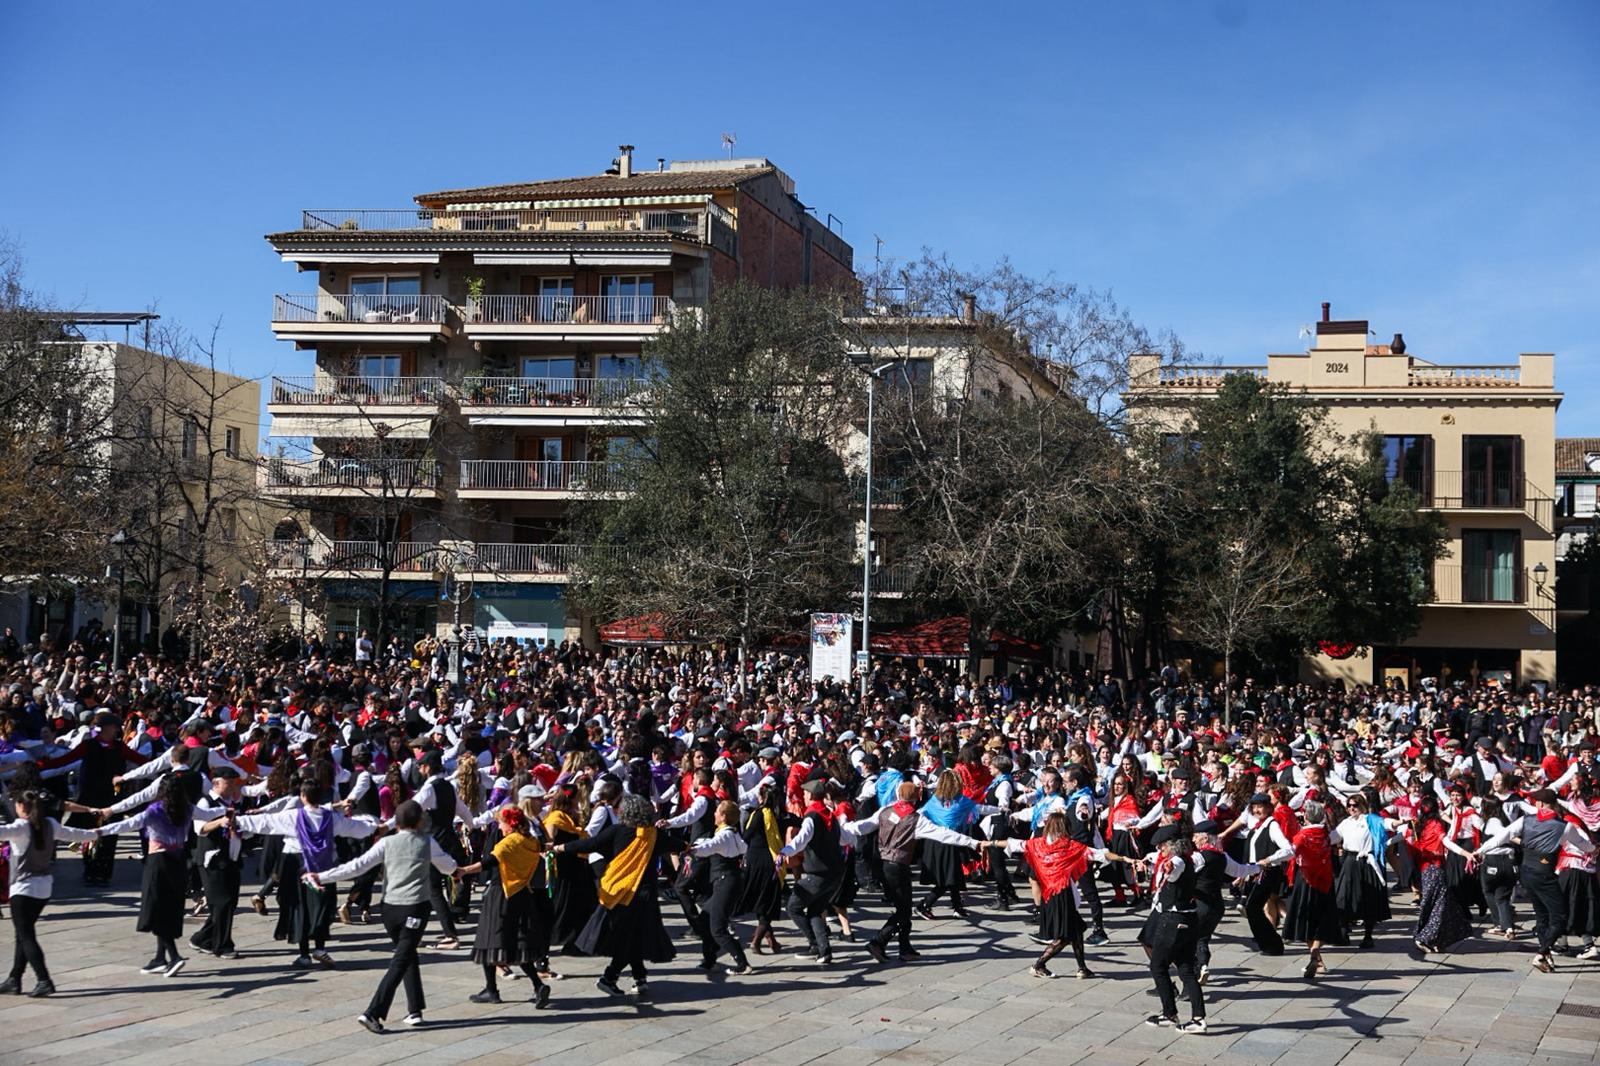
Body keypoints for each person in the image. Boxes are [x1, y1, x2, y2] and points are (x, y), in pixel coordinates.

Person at [307, 799, 460, 1032]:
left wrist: (322, 876)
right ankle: (373, 1012)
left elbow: (357, 866)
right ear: (419, 821)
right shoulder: (427, 842)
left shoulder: (386, 843)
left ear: (397, 822)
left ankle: (415, 1010)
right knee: (401, 959)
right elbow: (448, 867)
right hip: (414, 908)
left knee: (406, 954)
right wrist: (457, 870)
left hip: (389, 910)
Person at [224, 780, 378, 967]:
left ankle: (304, 954)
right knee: (321, 906)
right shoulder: (332, 818)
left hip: (295, 865)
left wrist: (237, 820)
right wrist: (374, 826)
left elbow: (265, 822)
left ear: (303, 797)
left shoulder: (292, 816)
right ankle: (320, 948)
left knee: (299, 908)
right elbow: (356, 828)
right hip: (322, 867)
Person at [554, 793, 677, 998]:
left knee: (631, 935)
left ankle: (635, 977)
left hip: (620, 892)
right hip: (643, 894)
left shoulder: (618, 831)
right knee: (631, 935)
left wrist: (561, 847)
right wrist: (690, 847)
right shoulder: (654, 835)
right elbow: (677, 845)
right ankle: (612, 977)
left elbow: (590, 844)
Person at [1473, 788, 1597, 972]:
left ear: (1539, 804)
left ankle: (1545, 956)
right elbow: (1584, 845)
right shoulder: (1565, 826)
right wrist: (1594, 849)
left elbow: (1501, 837)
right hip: (1545, 873)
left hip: (1526, 872)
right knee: (1560, 918)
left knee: (1542, 916)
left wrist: (1479, 851)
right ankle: (1541, 953)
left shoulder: (1525, 820)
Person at [96, 773, 197, 976]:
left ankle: (174, 956)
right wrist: (229, 812)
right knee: (168, 908)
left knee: (156, 909)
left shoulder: (155, 811)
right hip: (178, 862)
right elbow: (209, 812)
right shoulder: (187, 809)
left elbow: (127, 824)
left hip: (158, 863)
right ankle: (160, 957)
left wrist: (98, 832)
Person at [457, 797, 555, 1007]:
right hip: (522, 894)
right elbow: (544, 845)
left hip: (502, 893)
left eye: (500, 823)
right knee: (519, 943)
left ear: (509, 823)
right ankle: (537, 985)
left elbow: (489, 862)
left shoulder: (509, 843)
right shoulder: (529, 841)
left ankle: (491, 989)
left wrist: (463, 871)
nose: (499, 827)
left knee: (489, 939)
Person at [0, 788, 98, 995]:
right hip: (43, 888)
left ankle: (44, 980)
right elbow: (75, 834)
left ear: (21, 807)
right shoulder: (50, 825)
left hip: (23, 889)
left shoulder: (20, 827)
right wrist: (96, 833)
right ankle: (14, 979)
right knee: (22, 934)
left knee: (26, 936)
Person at [1140, 824, 1207, 1034]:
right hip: (1188, 920)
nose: (1161, 850)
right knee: (1186, 970)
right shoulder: (1190, 858)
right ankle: (1198, 1018)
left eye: (1163, 846)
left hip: (1174, 921)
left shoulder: (1177, 861)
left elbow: (1174, 867)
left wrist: (1168, 868)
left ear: (1172, 845)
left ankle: (1170, 1013)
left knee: (1157, 966)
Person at [685, 798, 753, 974]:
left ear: (723, 816)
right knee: (704, 919)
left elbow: (710, 846)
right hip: (727, 881)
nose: (714, 814)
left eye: (717, 812)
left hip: (726, 883)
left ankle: (742, 963)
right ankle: (710, 960)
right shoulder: (731, 832)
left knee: (718, 928)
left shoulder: (725, 835)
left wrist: (691, 850)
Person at [1281, 800, 1345, 979]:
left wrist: (1268, 860)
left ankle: (1315, 956)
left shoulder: (1302, 836)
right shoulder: (1326, 834)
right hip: (1325, 882)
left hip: (1306, 881)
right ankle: (1317, 958)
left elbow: (1289, 852)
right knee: (1323, 918)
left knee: (1308, 919)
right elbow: (1338, 836)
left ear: (1307, 817)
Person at [189, 767, 247, 958]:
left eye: (234, 783)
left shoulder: (232, 802)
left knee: (229, 902)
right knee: (221, 902)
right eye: (228, 783)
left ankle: (201, 938)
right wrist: (220, 822)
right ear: (216, 783)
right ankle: (222, 945)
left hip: (231, 858)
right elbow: (201, 828)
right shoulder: (205, 802)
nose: (232, 787)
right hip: (212, 859)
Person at [1408, 794, 1473, 955]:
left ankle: (1435, 939)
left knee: (1434, 903)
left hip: (1424, 870)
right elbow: (1446, 842)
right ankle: (1425, 937)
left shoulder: (1419, 825)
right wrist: (1465, 853)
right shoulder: (1436, 824)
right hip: (1435, 869)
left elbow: (1404, 839)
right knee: (1440, 905)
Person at [1332, 793, 1393, 950]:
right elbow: (1332, 838)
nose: (1352, 808)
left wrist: (1399, 822)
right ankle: (1343, 932)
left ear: (1363, 805)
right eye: (1349, 805)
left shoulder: (1371, 819)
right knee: (1343, 897)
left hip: (1367, 862)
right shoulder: (1346, 822)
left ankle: (1368, 936)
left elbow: (1386, 823)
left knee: (1369, 899)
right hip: (1350, 861)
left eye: (1355, 805)